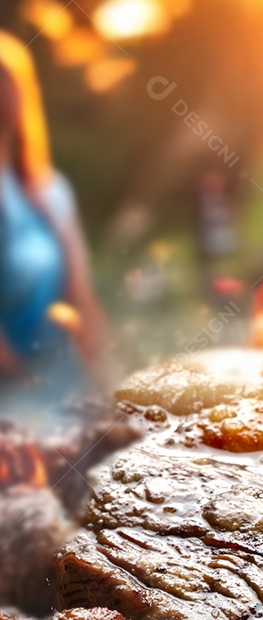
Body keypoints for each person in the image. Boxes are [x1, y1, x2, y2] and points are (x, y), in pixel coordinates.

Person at [0, 32, 108, 410]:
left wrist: (98, 370)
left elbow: (79, 288)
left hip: (62, 377)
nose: (5, 94)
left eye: (10, 81)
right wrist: (17, 372)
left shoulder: (50, 190)